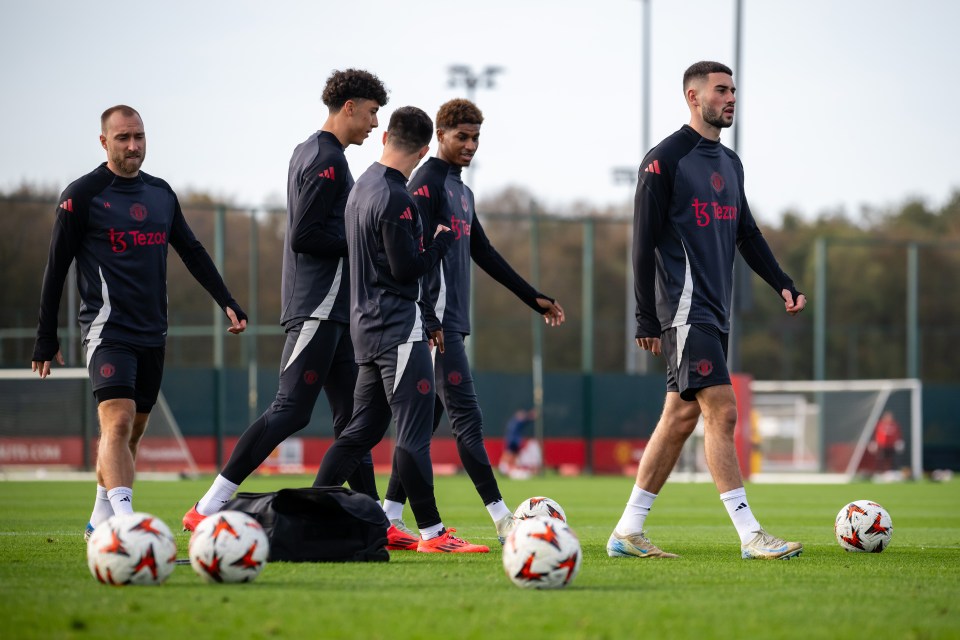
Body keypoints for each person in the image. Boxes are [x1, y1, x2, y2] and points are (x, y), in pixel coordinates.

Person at [608, 61, 806, 561]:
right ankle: (750, 534)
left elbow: (747, 233)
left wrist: (781, 281)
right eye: (721, 90)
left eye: (734, 90)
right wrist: (644, 317)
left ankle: (626, 533)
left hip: (715, 313)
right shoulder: (664, 161)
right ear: (693, 98)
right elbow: (642, 243)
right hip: (683, 309)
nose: (731, 98)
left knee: (678, 418)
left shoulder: (731, 163)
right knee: (723, 410)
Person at [182, 69, 389, 531]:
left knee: (353, 421)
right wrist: (364, 239)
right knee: (291, 410)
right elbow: (304, 235)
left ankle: (377, 520)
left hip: (335, 312)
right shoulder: (325, 158)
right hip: (317, 305)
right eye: (373, 112)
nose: (376, 124)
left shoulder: (322, 153)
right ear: (349, 107)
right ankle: (208, 506)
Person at [31, 105, 247, 540]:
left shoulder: (161, 194)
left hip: (153, 331)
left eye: (140, 137)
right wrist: (45, 335)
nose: (133, 146)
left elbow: (192, 250)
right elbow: (56, 267)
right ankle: (128, 523)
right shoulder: (82, 195)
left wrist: (226, 299)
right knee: (118, 421)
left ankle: (100, 518)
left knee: (133, 431)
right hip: (106, 330)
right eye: (124, 137)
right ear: (104, 142)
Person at [377, 99, 566, 550]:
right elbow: (412, 257)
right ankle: (503, 521)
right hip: (433, 326)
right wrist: (428, 316)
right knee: (468, 417)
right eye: (461, 136)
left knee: (422, 427)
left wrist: (532, 297)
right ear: (439, 136)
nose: (470, 145)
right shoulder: (425, 184)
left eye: (476, 137)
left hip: (450, 322)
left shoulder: (462, 191)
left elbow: (483, 250)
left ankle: (386, 518)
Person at [311, 105, 488, 553]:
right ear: (427, 148)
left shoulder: (361, 188)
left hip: (363, 328)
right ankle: (433, 533)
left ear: (385, 134)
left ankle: (309, 514)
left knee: (360, 432)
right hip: (397, 329)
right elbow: (408, 269)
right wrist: (442, 242)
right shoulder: (397, 197)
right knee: (413, 430)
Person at [499, 408, 537, 476]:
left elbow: (524, 420)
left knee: (511, 455)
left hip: (512, 441)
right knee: (510, 455)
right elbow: (525, 419)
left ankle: (508, 469)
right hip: (513, 441)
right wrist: (530, 415)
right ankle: (505, 469)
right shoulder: (516, 422)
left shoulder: (513, 422)